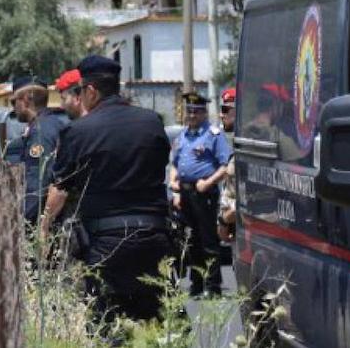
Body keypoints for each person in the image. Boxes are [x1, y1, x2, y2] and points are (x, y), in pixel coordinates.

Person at [42, 56, 174, 331]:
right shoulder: (152, 121)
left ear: (91, 91)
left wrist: (44, 228)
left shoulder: (78, 131)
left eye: (81, 90)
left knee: (106, 324)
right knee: (158, 322)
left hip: (107, 242)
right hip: (154, 236)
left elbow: (60, 188)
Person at [169, 92, 232, 298]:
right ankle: (196, 284)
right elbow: (175, 163)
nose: (192, 115)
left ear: (204, 113)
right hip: (185, 192)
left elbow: (225, 165)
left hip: (204, 192)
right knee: (191, 240)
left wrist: (209, 182)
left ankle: (213, 286)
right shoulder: (183, 135)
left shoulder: (213, 135)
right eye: (189, 111)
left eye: (196, 111)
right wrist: (174, 182)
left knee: (208, 240)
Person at [5, 84, 68, 224]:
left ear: (26, 100)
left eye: (14, 102)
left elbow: (39, 183)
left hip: (44, 220)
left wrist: (22, 219)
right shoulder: (53, 124)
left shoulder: (40, 131)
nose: (13, 108)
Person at [217, 88, 238, 245]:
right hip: (235, 229)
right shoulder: (236, 143)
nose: (221, 115)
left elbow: (254, 199)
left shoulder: (252, 145)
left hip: (242, 226)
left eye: (225, 110)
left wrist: (224, 220)